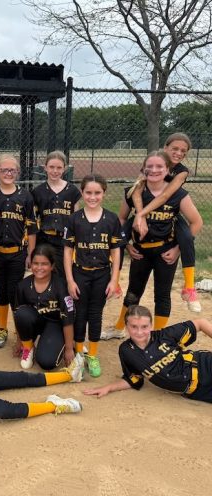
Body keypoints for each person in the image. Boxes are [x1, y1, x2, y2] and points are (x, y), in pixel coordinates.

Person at [101, 150, 203, 341]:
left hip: (166, 252)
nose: (154, 170)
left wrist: (177, 249)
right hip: (140, 252)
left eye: (159, 166)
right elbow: (122, 219)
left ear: (167, 170)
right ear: (143, 169)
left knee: (162, 295)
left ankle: (159, 336)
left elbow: (196, 222)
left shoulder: (178, 194)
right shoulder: (133, 192)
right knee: (133, 293)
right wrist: (127, 245)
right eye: (150, 166)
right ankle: (119, 328)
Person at [130, 133, 201, 312]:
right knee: (121, 230)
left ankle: (190, 288)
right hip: (147, 216)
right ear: (165, 147)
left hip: (170, 213)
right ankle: (113, 281)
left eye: (183, 151)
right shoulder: (154, 162)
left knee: (186, 237)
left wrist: (177, 249)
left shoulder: (182, 171)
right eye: (175, 148)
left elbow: (165, 195)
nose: (179, 153)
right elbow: (137, 189)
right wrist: (140, 215)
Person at [84, 305, 212, 404]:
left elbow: (200, 323)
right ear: (126, 326)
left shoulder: (165, 336)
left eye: (144, 327)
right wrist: (108, 388)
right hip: (197, 391)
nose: (139, 332)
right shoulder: (127, 351)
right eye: (134, 326)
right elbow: (133, 379)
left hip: (204, 366)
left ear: (151, 326)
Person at [63, 174, 125, 378]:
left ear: (104, 193)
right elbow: (67, 251)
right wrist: (70, 280)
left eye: (97, 192)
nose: (92, 197)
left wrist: (114, 280)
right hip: (80, 273)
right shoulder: (74, 219)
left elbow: (116, 251)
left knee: (95, 315)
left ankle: (93, 354)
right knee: (79, 314)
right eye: (88, 192)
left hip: (102, 274)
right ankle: (79, 354)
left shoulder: (111, 219)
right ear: (82, 193)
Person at [0, 154, 37, 349]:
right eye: (4, 170)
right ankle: (2, 328)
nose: (8, 173)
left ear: (18, 172)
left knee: (15, 290)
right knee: (1, 290)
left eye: (12, 170)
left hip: (17, 253)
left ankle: (19, 331)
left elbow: (31, 228)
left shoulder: (25, 196)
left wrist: (30, 254)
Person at [14, 244, 78, 372]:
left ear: (52, 266)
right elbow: (18, 316)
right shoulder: (23, 286)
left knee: (47, 362)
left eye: (44, 264)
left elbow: (68, 320)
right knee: (21, 313)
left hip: (55, 324)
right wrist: (20, 340)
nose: (39, 268)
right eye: (35, 263)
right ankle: (28, 348)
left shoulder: (61, 286)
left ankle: (56, 342)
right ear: (31, 264)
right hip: (35, 322)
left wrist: (69, 348)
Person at [32, 150, 81, 277]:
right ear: (45, 168)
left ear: (65, 169)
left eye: (59, 168)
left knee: (62, 275)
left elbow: (76, 220)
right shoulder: (37, 192)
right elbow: (34, 219)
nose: (55, 171)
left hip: (64, 240)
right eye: (51, 167)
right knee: (44, 274)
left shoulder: (72, 191)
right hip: (44, 239)